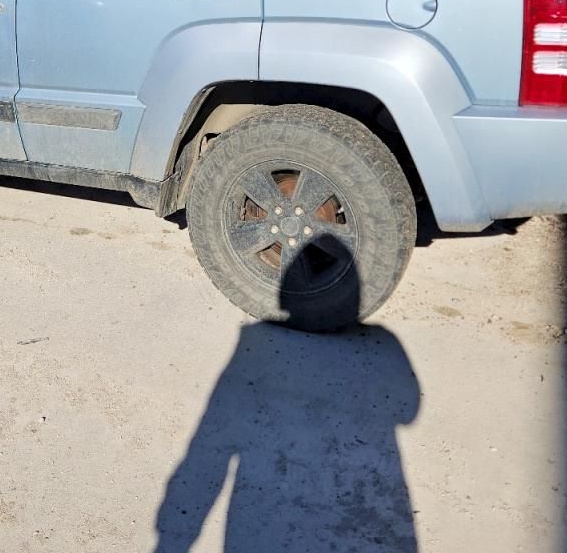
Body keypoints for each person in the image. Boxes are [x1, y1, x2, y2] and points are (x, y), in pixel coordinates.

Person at [154, 236, 421, 552]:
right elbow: (408, 410)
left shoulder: (250, 343)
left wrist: (171, 538)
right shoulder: (385, 342)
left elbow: (206, 442)